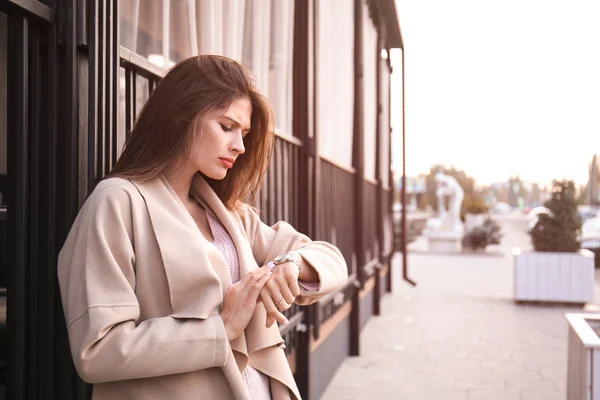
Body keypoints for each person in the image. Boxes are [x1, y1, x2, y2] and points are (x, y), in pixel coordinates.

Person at [57, 55, 348, 400]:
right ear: (181, 117)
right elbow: (98, 351)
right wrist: (221, 327)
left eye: (243, 133)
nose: (239, 146)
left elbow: (330, 259)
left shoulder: (227, 214)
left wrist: (292, 265)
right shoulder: (118, 202)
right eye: (226, 127)